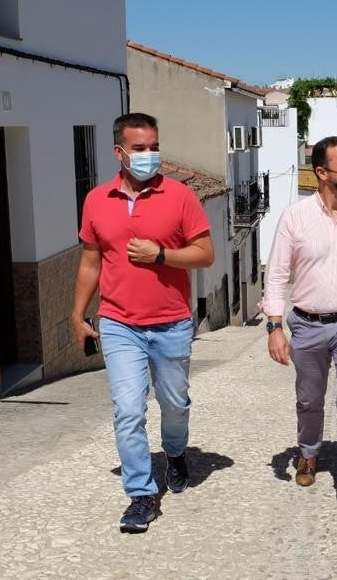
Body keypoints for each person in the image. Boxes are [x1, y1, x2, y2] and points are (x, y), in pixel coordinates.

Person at [71, 112, 215, 533]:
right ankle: (141, 494)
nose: (150, 155)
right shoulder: (97, 200)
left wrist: (161, 255)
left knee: (174, 404)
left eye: (154, 146)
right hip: (119, 322)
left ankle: (174, 452)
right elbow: (90, 261)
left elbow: (205, 255)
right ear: (119, 152)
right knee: (128, 410)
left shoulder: (180, 196)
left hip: (171, 322)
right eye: (140, 148)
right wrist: (77, 314)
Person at [262, 136, 337, 523]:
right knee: (309, 400)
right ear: (321, 172)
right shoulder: (295, 217)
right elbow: (278, 272)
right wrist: (274, 326)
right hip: (307, 324)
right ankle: (310, 451)